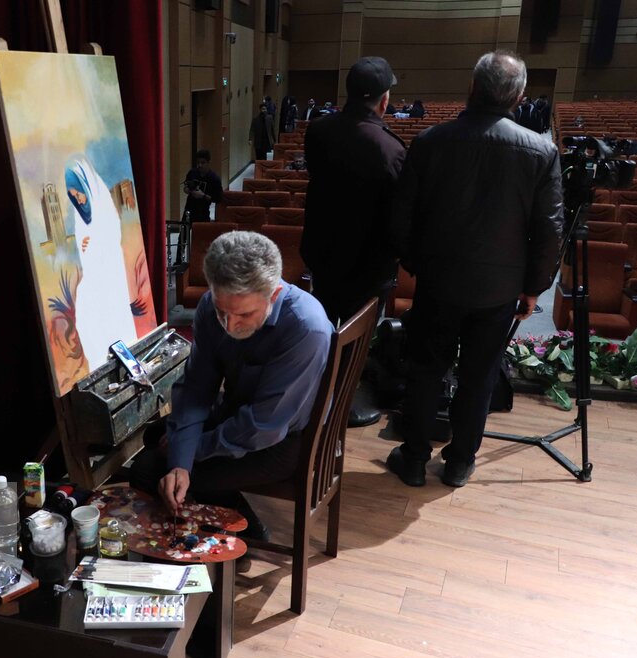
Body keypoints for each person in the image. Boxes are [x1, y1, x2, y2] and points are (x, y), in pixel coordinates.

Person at [387, 51, 563, 488]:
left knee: (426, 369)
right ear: (519, 97)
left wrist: (416, 263)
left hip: (438, 281)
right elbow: (549, 230)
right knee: (478, 377)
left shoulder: (430, 141)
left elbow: (401, 216)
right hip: (499, 288)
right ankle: (460, 462)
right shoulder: (542, 151)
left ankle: (413, 460)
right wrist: (534, 288)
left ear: (472, 87)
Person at [129, 231, 333, 560]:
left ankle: (233, 542)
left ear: (274, 294)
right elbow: (196, 388)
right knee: (158, 439)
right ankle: (228, 520)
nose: (230, 324)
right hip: (241, 414)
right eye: (222, 311)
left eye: (244, 315)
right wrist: (181, 460)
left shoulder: (305, 327)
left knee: (148, 468)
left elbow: (264, 426)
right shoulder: (211, 305)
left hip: (287, 439)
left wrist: (191, 453)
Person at [301, 56, 406, 428]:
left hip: (323, 252)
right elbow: (396, 212)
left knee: (322, 326)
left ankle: (313, 398)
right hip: (368, 264)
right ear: (383, 100)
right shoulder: (390, 149)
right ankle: (342, 408)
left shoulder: (318, 131)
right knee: (356, 337)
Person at [64, 156, 138, 371]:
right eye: (72, 196)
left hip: (109, 274)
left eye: (78, 193)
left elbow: (112, 234)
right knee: (86, 317)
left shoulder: (102, 201)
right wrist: (84, 246)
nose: (78, 199)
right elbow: (82, 242)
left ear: (85, 187)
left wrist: (94, 243)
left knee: (109, 318)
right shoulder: (80, 214)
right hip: (93, 275)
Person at [183, 149, 223, 222]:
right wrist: (188, 190)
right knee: (184, 228)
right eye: (198, 162)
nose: (200, 165)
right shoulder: (192, 173)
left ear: (208, 162)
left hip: (203, 212)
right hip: (189, 209)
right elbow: (185, 187)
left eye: (203, 162)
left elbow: (218, 199)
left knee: (202, 229)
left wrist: (203, 196)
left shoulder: (214, 179)